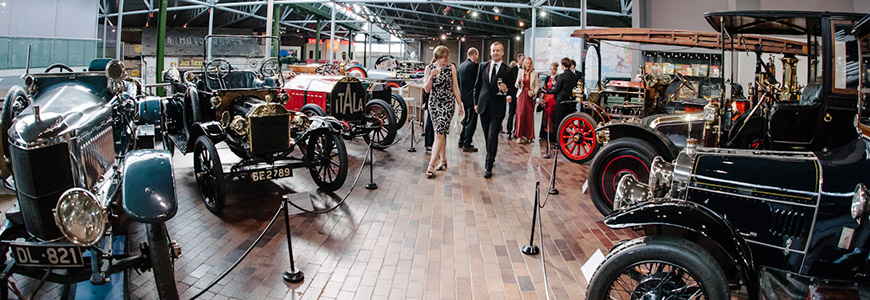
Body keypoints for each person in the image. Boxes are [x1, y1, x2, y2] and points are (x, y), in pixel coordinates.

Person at [474, 41, 517, 179]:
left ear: (503, 52)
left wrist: (507, 90)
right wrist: (475, 103)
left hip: (498, 108)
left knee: (493, 135)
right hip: (483, 106)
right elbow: (477, 86)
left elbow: (514, 90)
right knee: (487, 135)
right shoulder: (483, 66)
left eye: (498, 51)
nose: (495, 53)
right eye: (493, 50)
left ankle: (488, 165)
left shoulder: (508, 70)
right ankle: (490, 156)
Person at [423, 46, 463, 178]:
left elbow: (455, 87)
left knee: (440, 133)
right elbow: (427, 89)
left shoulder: (451, 67)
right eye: (443, 59)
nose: (445, 61)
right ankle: (443, 160)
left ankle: (431, 165)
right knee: (439, 134)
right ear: (437, 58)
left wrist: (460, 104)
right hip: (434, 104)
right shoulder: (429, 69)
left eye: (447, 58)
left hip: (447, 104)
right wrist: (431, 77)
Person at [545, 58, 579, 140]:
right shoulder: (574, 76)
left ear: (562, 65)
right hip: (570, 101)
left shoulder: (561, 76)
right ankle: (566, 139)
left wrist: (547, 91)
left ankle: (559, 140)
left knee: (559, 122)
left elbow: (557, 89)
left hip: (561, 101)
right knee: (567, 121)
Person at [458, 47, 480, 152]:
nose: (477, 57)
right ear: (474, 54)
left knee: (467, 120)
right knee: (471, 121)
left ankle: (462, 140)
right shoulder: (473, 66)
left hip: (464, 97)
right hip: (472, 98)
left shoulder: (461, 66)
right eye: (477, 55)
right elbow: (477, 83)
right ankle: (467, 143)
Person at [514, 57, 538, 144]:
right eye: (527, 63)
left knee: (529, 116)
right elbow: (516, 85)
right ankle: (519, 136)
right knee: (520, 115)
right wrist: (519, 82)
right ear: (524, 64)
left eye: (530, 63)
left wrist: (533, 93)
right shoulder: (520, 72)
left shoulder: (534, 73)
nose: (528, 65)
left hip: (530, 96)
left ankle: (529, 136)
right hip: (521, 95)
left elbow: (536, 86)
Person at [505, 53, 525, 139]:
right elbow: (508, 83)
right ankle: (509, 131)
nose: (523, 61)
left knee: (519, 114)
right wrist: (508, 95)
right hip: (513, 94)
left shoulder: (526, 70)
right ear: (519, 60)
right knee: (511, 113)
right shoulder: (511, 70)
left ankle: (517, 131)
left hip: (522, 95)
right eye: (522, 59)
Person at [539, 62, 559, 145]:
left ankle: (552, 135)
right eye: (551, 69)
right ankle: (544, 133)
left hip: (553, 99)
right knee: (545, 116)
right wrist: (541, 98)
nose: (552, 71)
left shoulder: (558, 78)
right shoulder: (547, 78)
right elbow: (544, 88)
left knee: (551, 117)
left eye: (553, 69)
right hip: (547, 98)